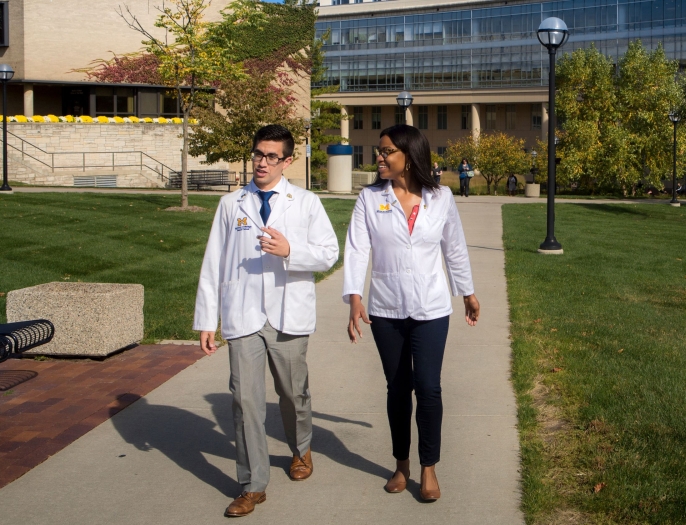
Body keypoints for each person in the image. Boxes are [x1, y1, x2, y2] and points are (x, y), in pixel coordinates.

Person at [194, 124, 339, 517]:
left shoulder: (306, 202)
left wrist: (291, 251)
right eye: (258, 153)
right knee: (245, 402)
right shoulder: (231, 205)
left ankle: (301, 447)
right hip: (243, 317)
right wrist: (208, 319)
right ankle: (252, 484)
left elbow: (329, 253)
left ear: (287, 161)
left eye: (271, 156)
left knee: (293, 393)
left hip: (287, 315)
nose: (262, 162)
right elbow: (213, 265)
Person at [343, 124, 480, 502]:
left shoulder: (441, 197)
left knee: (429, 387)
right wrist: (354, 296)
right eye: (380, 152)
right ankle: (401, 463)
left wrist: (466, 291)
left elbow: (454, 247)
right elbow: (356, 249)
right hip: (386, 309)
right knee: (398, 387)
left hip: (431, 307)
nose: (380, 157)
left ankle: (428, 466)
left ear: (409, 156)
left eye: (387, 151)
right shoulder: (370, 198)